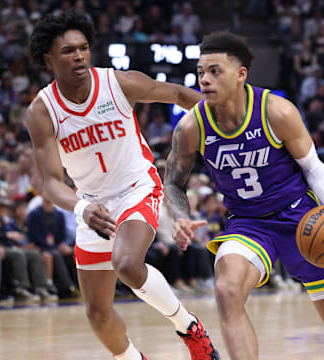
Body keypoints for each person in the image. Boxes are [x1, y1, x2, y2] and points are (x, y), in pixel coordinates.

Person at [26, 10, 219, 360]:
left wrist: (226, 116)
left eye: (83, 48)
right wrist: (82, 208)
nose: (79, 55)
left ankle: (190, 328)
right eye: (68, 50)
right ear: (48, 59)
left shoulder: (117, 83)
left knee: (127, 264)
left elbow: (176, 93)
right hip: (92, 206)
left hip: (137, 188)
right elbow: (51, 182)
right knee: (97, 314)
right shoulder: (42, 111)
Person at [163, 31, 324, 360]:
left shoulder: (276, 111)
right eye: (200, 73)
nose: (204, 80)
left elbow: (314, 170)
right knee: (226, 290)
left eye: (215, 71)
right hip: (248, 224)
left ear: (241, 74)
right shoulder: (192, 126)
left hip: (300, 218)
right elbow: (173, 182)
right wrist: (180, 216)